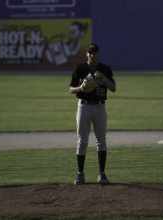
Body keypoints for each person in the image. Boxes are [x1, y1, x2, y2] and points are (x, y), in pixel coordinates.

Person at [69, 43, 116, 185]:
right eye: (90, 52)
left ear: (98, 54)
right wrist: (80, 87)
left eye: (94, 52)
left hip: (100, 107)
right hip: (83, 106)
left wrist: (103, 79)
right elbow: (71, 89)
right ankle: (80, 174)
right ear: (86, 54)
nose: (92, 55)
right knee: (82, 141)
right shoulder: (80, 68)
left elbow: (113, 88)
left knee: (101, 141)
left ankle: (102, 174)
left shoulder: (105, 69)